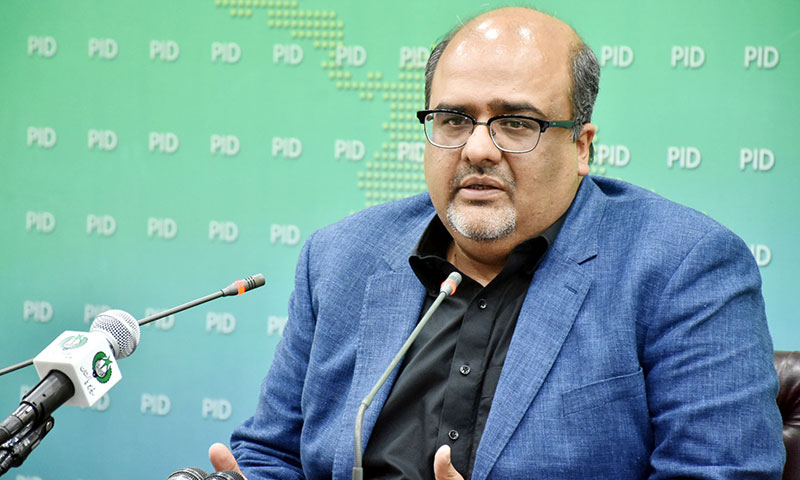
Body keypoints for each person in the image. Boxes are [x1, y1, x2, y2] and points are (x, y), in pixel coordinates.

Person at [208, 6, 785, 479]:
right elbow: (273, 455)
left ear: (582, 147)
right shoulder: (341, 258)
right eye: (454, 119)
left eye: (516, 123)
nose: (478, 149)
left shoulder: (685, 267)